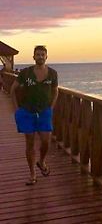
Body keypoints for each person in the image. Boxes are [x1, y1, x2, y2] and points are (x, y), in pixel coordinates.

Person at [10, 45, 58, 185]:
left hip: (44, 111)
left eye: (43, 54)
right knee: (29, 143)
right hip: (27, 111)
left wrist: (51, 107)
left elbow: (55, 91)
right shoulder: (25, 73)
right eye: (38, 54)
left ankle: (42, 161)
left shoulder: (53, 73)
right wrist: (17, 109)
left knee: (45, 141)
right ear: (33, 56)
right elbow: (13, 89)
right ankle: (32, 174)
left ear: (46, 57)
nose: (40, 57)